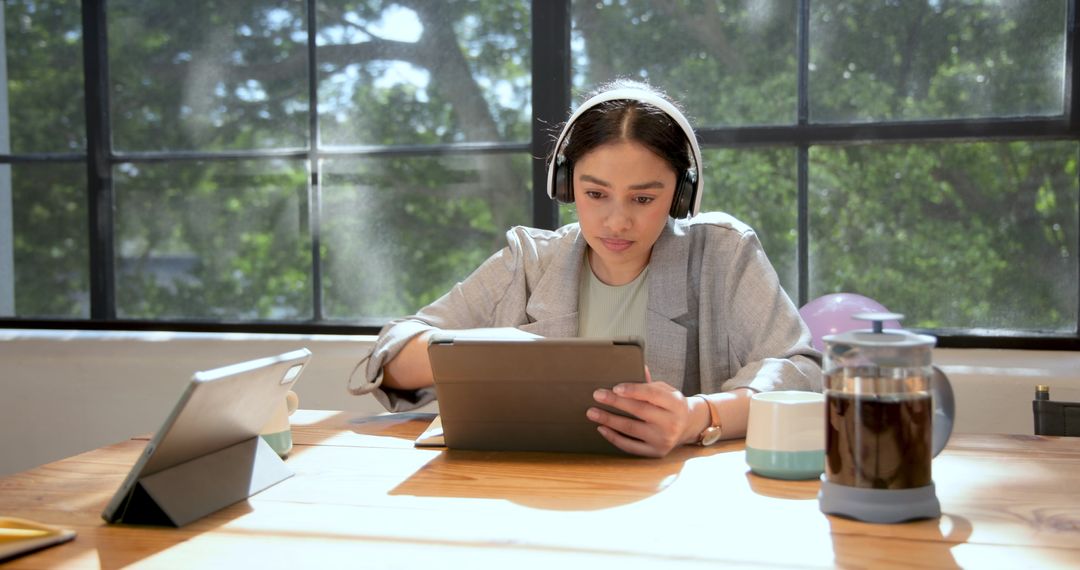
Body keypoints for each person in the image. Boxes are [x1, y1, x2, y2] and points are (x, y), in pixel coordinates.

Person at [349, 78, 822, 458]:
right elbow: (388, 358)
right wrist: (484, 348)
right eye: (595, 194)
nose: (617, 221)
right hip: (530, 489)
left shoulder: (722, 253)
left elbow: (802, 372)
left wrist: (698, 416)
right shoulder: (531, 260)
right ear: (565, 184)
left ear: (681, 195)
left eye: (643, 197)